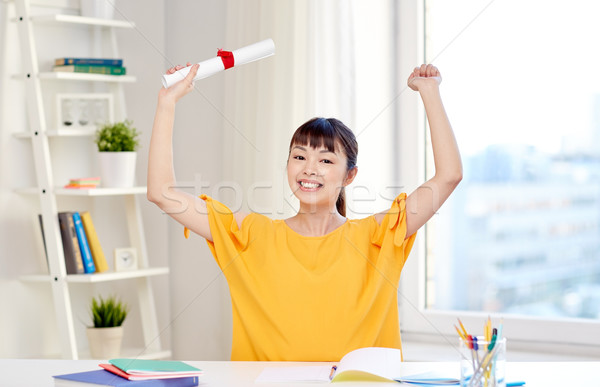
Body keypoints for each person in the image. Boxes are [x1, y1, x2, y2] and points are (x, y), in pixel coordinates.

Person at [147, 63, 462, 361]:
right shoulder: (251, 236)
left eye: (326, 160)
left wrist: (429, 91)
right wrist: (167, 102)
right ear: (287, 165)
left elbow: (448, 176)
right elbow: (162, 194)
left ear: (349, 176)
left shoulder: (377, 238)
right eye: (299, 157)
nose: (310, 169)